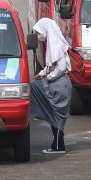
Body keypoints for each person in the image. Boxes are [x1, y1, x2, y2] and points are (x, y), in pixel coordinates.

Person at [30, 18, 72, 154]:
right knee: (55, 113)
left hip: (59, 85)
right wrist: (42, 74)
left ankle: (59, 146)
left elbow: (60, 68)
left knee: (57, 114)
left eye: (40, 32)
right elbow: (50, 66)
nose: (39, 36)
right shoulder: (53, 45)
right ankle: (57, 144)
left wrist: (47, 77)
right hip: (57, 83)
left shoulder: (57, 45)